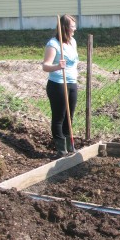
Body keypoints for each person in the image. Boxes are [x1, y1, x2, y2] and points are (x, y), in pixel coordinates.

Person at [42, 14, 79, 157]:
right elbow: (45, 66)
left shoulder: (73, 42)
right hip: (58, 84)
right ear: (65, 27)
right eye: (72, 26)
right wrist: (58, 66)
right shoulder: (53, 44)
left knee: (70, 116)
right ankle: (61, 150)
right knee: (59, 117)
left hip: (71, 83)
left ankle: (70, 147)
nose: (75, 29)